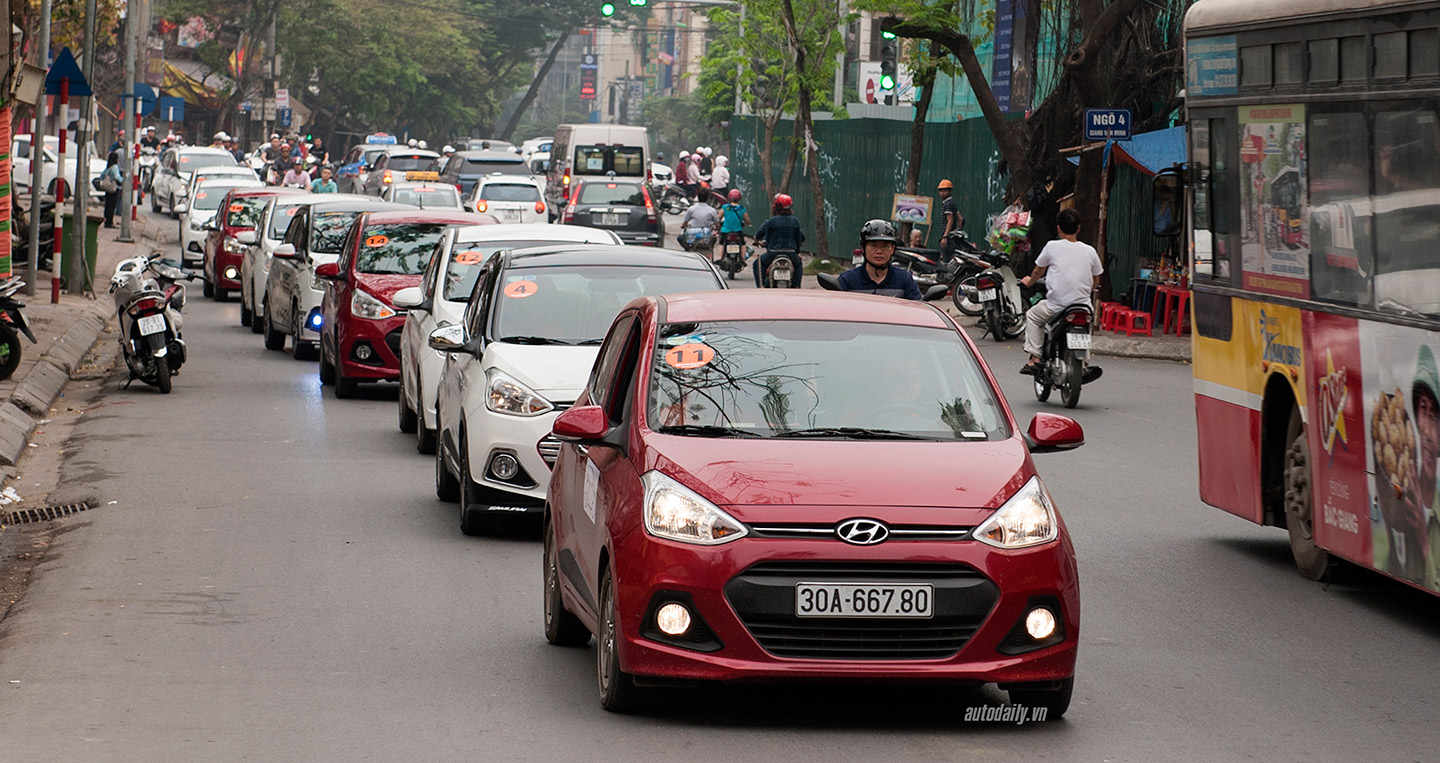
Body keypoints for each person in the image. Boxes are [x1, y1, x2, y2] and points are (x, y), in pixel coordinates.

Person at [1019, 208, 1103, 376]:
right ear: (1079, 228)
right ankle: (1084, 363)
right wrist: (1087, 290)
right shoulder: (1090, 251)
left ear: (1058, 228)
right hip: (1083, 307)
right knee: (1085, 327)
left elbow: (1038, 271)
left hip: (1056, 307)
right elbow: (1096, 281)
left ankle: (1035, 358)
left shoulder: (1052, 246)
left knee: (1033, 316)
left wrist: (1029, 281)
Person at [836, 219, 922, 299]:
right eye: (874, 246)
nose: (879, 251)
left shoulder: (904, 279)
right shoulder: (847, 280)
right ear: (863, 248)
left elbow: (917, 309)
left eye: (885, 246)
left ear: (892, 249)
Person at [753, 194, 806, 289]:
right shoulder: (795, 221)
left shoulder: (771, 221)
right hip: (791, 254)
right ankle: (797, 286)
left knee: (757, 263)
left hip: (772, 254)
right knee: (798, 264)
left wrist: (758, 241)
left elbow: (761, 235)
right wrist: (797, 252)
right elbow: (800, 238)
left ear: (776, 206)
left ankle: (761, 286)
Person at [937, 179, 962, 261]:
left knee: (947, 259)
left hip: (948, 237)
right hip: (952, 237)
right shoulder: (952, 203)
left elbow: (950, 220)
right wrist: (957, 231)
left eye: (945, 191)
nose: (942, 193)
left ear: (950, 191)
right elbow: (960, 219)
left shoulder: (947, 204)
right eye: (941, 191)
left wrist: (945, 236)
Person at [99, 151, 124, 228]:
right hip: (113, 189)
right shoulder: (115, 167)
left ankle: (106, 220)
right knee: (112, 206)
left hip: (107, 189)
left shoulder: (108, 167)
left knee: (107, 205)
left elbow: (102, 176)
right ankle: (110, 222)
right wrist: (123, 180)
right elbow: (117, 177)